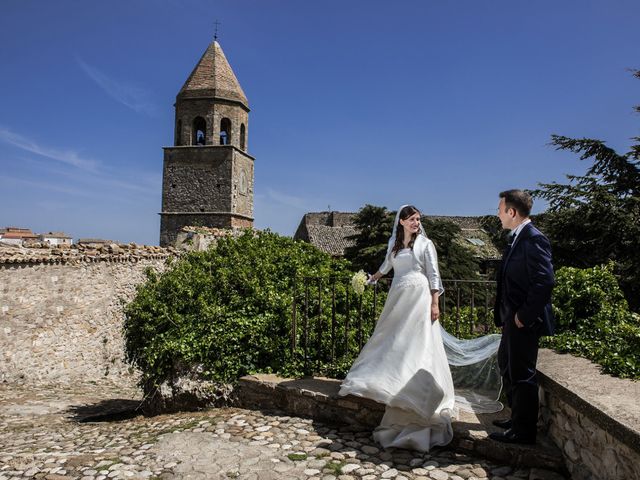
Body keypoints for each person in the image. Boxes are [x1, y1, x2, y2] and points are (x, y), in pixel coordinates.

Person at [338, 205, 456, 452]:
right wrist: (370, 279)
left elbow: (434, 275)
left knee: (417, 342)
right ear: (401, 221)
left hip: (419, 298)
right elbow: (385, 267)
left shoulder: (425, 244)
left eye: (418, 219)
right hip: (398, 297)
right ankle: (390, 382)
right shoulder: (394, 245)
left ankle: (417, 389)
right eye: (412, 219)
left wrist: (435, 303)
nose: (416, 223)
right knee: (392, 340)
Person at [489, 189, 555, 445]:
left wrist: (523, 317)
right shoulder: (518, 237)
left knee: (522, 373)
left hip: (523, 321)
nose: (497, 214)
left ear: (512, 212)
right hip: (511, 319)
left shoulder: (533, 239)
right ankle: (516, 419)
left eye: (499, 209)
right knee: (508, 366)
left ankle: (524, 432)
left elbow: (544, 282)